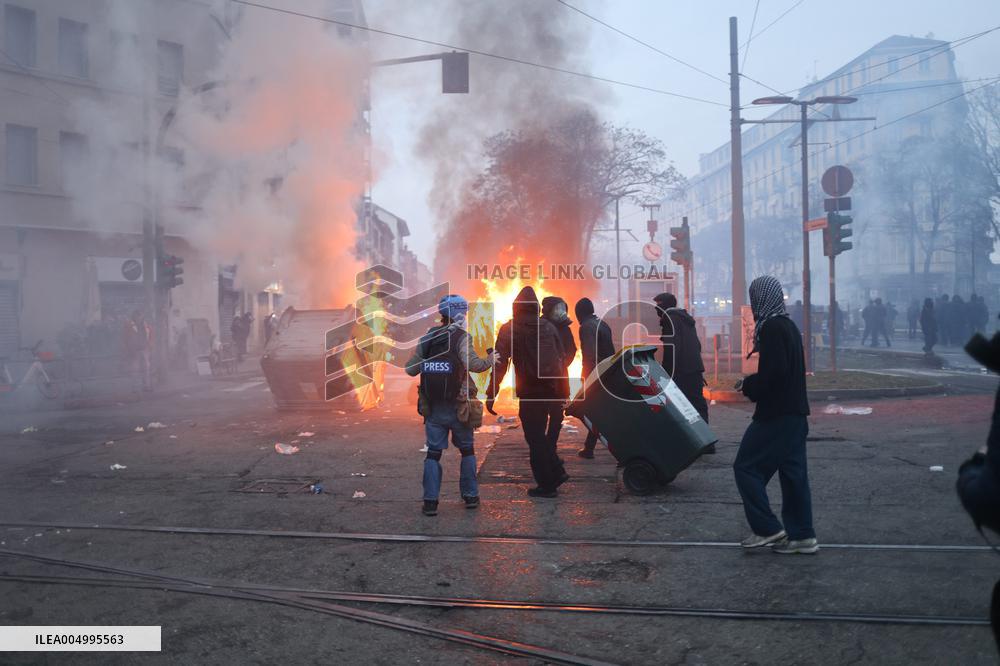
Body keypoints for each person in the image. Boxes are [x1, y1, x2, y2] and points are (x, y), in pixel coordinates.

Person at [734, 276, 817, 554]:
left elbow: (775, 373)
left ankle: (766, 528)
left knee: (746, 467)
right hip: (795, 414)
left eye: (754, 298)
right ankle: (802, 536)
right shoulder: (788, 325)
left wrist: (748, 385)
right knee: (794, 476)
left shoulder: (771, 328)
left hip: (776, 414)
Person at [406, 294, 495, 517]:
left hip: (433, 407)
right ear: (459, 314)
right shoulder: (462, 337)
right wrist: (491, 359)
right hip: (459, 406)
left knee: (433, 454)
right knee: (467, 450)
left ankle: (430, 502)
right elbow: (474, 365)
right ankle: (471, 496)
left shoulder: (428, 337)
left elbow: (410, 369)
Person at [487, 286, 568, 498]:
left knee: (534, 437)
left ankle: (547, 485)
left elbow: (499, 364)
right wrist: (562, 392)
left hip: (530, 392)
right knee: (539, 435)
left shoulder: (510, 328)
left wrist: (491, 393)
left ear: (516, 307)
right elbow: (562, 359)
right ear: (535, 307)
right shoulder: (549, 327)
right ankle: (556, 471)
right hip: (550, 390)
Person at [653, 292, 713, 454]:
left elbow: (672, 348)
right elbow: (696, 345)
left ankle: (685, 443)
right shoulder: (685, 318)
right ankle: (706, 442)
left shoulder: (670, 318)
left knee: (677, 407)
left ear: (665, 305)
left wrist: (666, 373)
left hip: (681, 370)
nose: (656, 309)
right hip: (693, 368)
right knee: (697, 404)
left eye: (658, 305)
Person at [574, 297, 615, 458]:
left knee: (582, 409)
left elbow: (589, 356)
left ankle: (592, 447)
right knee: (597, 412)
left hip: (597, 376)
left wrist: (585, 379)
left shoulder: (586, 327)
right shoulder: (601, 323)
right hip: (608, 373)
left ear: (579, 313)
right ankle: (589, 448)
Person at [541, 296, 577, 406]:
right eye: (557, 309)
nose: (560, 312)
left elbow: (571, 350)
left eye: (562, 308)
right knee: (541, 412)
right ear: (549, 310)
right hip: (542, 381)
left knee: (557, 411)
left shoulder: (565, 329)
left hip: (560, 381)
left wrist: (562, 364)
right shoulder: (540, 326)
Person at [123, 310, 153, 392]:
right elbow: (125, 338)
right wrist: (127, 349)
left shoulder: (146, 325)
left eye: (140, 316)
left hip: (145, 350)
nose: (139, 317)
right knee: (134, 370)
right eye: (137, 316)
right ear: (134, 316)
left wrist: (150, 346)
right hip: (134, 350)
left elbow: (151, 336)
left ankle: (146, 386)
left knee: (146, 369)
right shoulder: (129, 325)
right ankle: (135, 387)